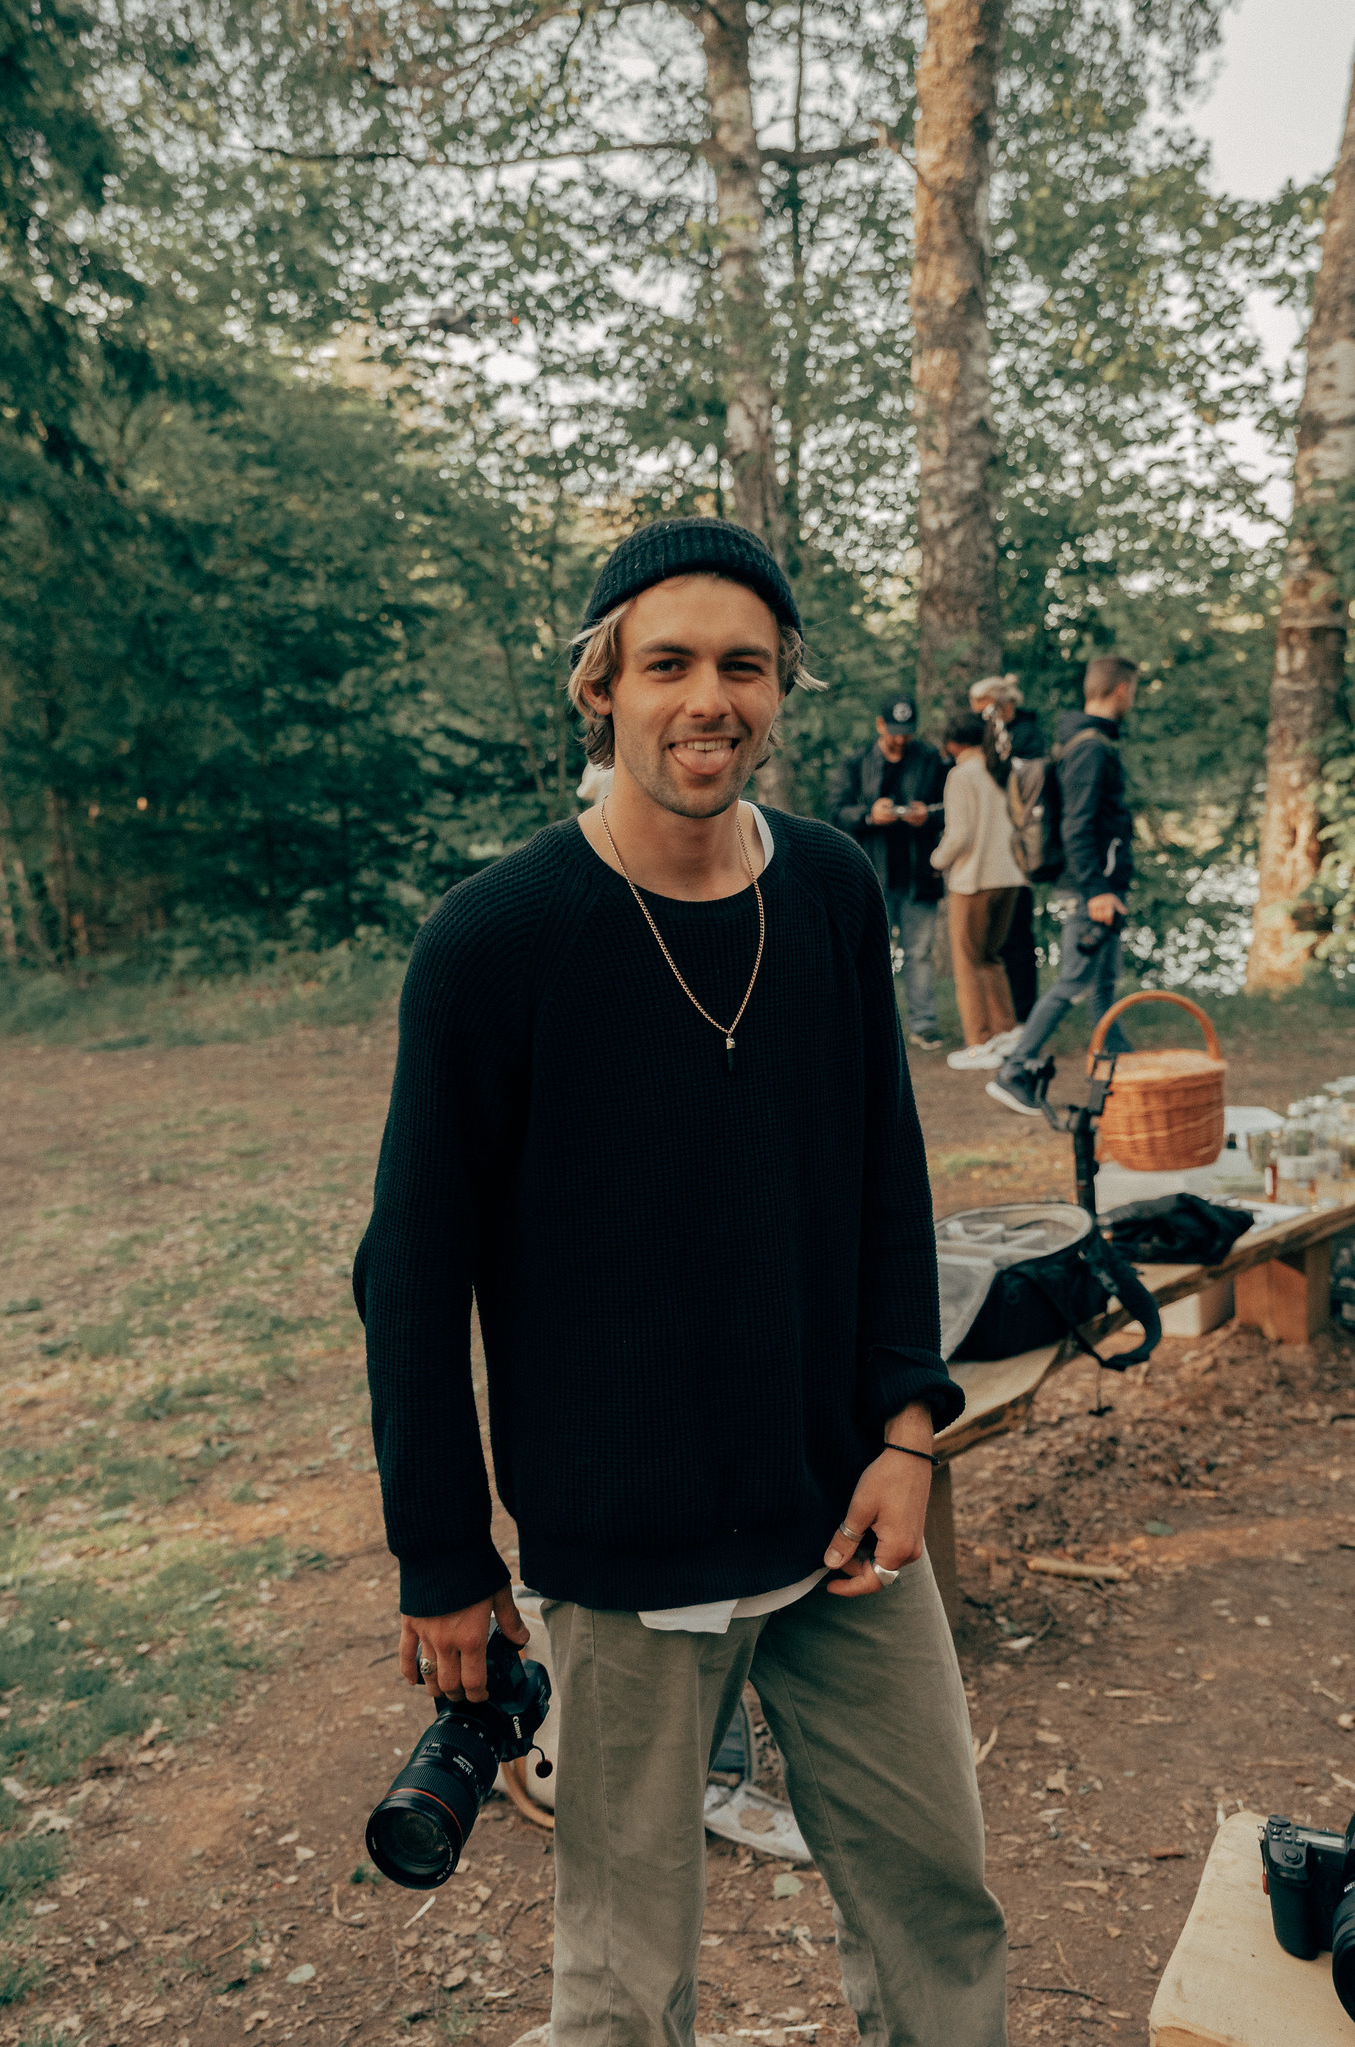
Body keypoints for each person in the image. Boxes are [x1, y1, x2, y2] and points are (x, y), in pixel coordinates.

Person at [354, 516, 1008, 2047]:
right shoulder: (493, 941)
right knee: (624, 1979)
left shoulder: (831, 889)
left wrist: (908, 1429)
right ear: (603, 686)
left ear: (779, 687)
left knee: (939, 1905)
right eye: (668, 664)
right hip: (624, 1548)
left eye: (743, 665)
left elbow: (885, 1174)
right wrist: (442, 1556)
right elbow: (410, 1271)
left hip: (842, 1516)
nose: (708, 698)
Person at [986, 655, 1138, 1116]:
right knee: (1074, 980)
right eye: (1133, 690)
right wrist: (1097, 890)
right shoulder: (1090, 748)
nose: (1133, 698)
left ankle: (1121, 1066)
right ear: (1121, 690)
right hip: (1091, 889)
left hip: (1099, 886)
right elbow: (1077, 826)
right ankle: (1014, 1070)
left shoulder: (1085, 741)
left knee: (1103, 983)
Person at [827, 696, 949, 1052]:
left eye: (907, 732)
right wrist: (869, 815)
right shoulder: (856, 762)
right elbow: (836, 811)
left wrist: (928, 815)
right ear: (880, 725)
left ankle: (923, 1025)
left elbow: (952, 808)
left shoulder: (930, 759)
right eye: (894, 732)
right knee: (869, 954)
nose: (900, 739)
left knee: (919, 953)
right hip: (870, 878)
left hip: (918, 877)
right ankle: (869, 1026)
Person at [931, 711, 1024, 1071]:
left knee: (967, 961)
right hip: (1010, 877)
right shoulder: (1005, 769)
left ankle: (978, 1043)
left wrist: (937, 860)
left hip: (973, 880)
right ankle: (1006, 1032)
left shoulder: (961, 775)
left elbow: (960, 835)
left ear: (954, 743)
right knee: (991, 956)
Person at [968, 675, 1042, 1022]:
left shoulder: (1027, 737)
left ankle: (1025, 1010)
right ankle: (1004, 1011)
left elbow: (1007, 778)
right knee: (995, 937)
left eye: (984, 713)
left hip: (1017, 847)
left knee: (1018, 932)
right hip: (992, 845)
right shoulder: (995, 735)